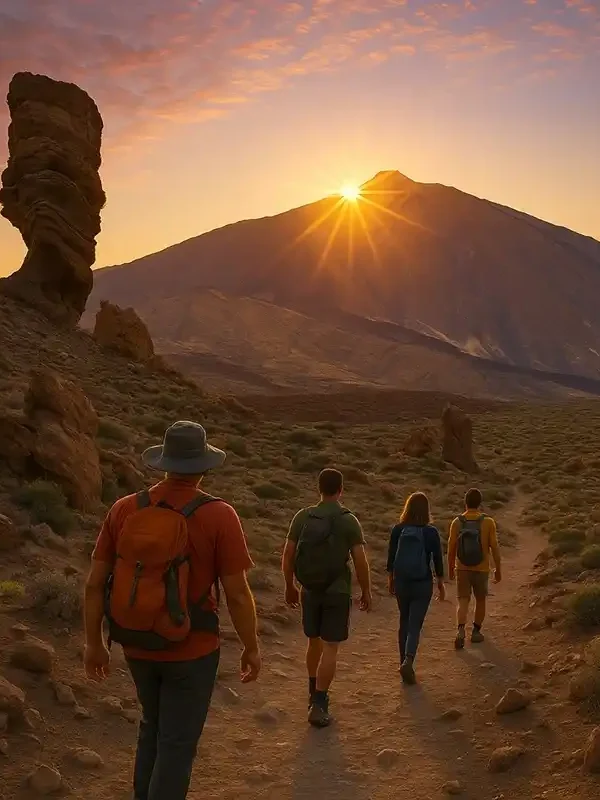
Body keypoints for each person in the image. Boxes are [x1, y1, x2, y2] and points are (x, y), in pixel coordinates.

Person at [83, 420, 261, 800]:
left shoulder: (123, 509)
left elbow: (94, 583)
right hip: (192, 649)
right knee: (177, 743)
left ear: (164, 463)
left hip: (136, 642)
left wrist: (94, 643)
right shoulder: (219, 515)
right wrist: (251, 645)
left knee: (151, 727)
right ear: (203, 466)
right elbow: (238, 594)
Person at [282, 468, 372, 728]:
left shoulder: (302, 517)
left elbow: (287, 555)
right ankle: (320, 702)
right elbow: (360, 560)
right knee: (330, 646)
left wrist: (289, 585)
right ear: (341, 490)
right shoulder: (348, 520)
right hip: (337, 590)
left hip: (309, 589)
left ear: (319, 488)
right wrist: (365, 590)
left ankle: (312, 693)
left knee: (314, 642)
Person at [387, 492, 445, 685]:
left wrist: (391, 580)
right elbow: (437, 559)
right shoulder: (431, 532)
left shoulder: (398, 529)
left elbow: (391, 557)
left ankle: (401, 660)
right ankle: (408, 661)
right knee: (415, 624)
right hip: (422, 583)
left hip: (402, 582)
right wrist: (440, 583)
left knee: (403, 620)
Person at [447, 487, 501, 649]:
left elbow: (451, 548)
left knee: (463, 600)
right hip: (481, 568)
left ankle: (460, 630)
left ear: (465, 503)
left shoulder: (457, 522)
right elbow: (495, 548)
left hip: (462, 568)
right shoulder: (488, 522)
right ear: (480, 503)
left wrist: (450, 568)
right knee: (481, 600)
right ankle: (476, 632)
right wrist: (498, 568)